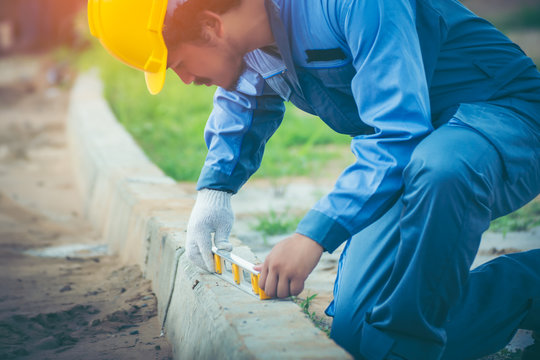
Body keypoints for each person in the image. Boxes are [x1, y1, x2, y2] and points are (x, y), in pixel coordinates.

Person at [88, 0, 540, 358]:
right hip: (414, 152)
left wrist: (313, 236)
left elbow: (401, 131)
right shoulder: (252, 39)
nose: (186, 79)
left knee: (442, 169)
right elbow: (245, 99)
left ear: (210, 26)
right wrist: (214, 191)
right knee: (358, 336)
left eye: (178, 63)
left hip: (499, 117)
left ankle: (411, 348)